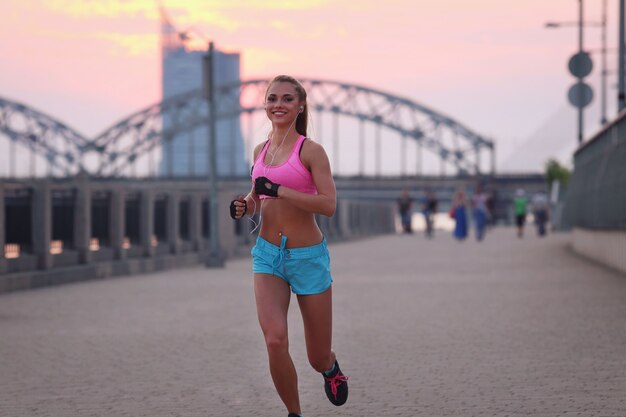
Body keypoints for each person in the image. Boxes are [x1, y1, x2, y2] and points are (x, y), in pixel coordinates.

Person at [229, 75, 348, 417]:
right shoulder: (261, 150)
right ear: (265, 105)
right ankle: (294, 413)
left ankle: (330, 367)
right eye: (272, 99)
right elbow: (258, 196)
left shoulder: (310, 151)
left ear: (299, 106)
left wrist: (280, 190)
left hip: (308, 257)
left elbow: (328, 205)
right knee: (275, 340)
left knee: (316, 355)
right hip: (268, 257)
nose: (278, 104)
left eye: (286, 99)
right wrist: (245, 205)